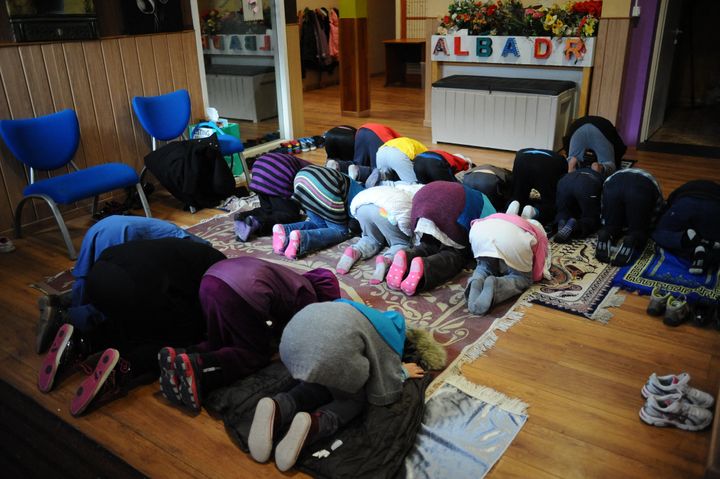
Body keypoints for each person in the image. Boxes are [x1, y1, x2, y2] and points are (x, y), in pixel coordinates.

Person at [37, 238, 225, 416]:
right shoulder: (222, 277)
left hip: (99, 274)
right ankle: (126, 367)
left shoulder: (197, 252)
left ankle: (82, 341)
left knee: (130, 320)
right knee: (182, 336)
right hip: (136, 285)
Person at [247, 299, 425, 472]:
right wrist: (402, 372)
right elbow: (384, 385)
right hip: (331, 353)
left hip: (291, 340)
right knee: (351, 399)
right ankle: (315, 424)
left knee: (316, 383)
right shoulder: (390, 336)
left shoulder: (348, 306)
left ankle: (279, 406)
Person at [158, 257, 340, 412]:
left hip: (211, 279)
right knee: (253, 353)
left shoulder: (291, 278)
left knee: (220, 339)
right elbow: (300, 334)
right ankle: (201, 368)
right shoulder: (307, 294)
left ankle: (180, 356)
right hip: (240, 292)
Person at [36, 216, 209, 355]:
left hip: (106, 225)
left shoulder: (187, 240)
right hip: (123, 233)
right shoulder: (199, 254)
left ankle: (61, 303)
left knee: (90, 276)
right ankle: (69, 319)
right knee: (118, 293)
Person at [386, 181, 496, 296]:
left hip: (424, 201)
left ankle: (408, 255)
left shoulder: (463, 189)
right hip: (451, 212)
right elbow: (479, 239)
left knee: (429, 243)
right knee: (455, 254)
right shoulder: (489, 211)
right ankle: (425, 266)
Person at [466, 202, 551, 315]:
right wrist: (533, 277)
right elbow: (539, 266)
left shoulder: (500, 215)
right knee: (522, 277)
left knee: (484, 267)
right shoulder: (536, 229)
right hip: (513, 240)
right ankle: (496, 286)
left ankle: (477, 280)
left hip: (481, 231)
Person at [554, 116, 627, 241]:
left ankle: (562, 220)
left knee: (563, 208)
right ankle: (598, 168)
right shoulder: (608, 127)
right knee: (608, 164)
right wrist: (606, 168)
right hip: (600, 132)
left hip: (576, 131)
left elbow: (566, 143)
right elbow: (618, 152)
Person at [335, 183, 423, 282]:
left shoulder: (400, 185)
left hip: (362, 204)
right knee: (401, 242)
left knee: (370, 238)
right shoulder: (422, 194)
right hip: (387, 211)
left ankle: (355, 250)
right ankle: (386, 260)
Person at [273, 165, 364, 259]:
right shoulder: (363, 196)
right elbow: (356, 221)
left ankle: (285, 230)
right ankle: (302, 238)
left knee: (319, 224)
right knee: (341, 231)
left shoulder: (353, 183)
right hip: (326, 187)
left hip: (302, 178)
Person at [233, 152, 309, 242]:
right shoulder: (310, 173)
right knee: (290, 215)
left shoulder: (303, 164)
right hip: (276, 176)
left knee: (267, 209)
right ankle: (258, 222)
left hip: (259, 171)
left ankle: (243, 216)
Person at [596, 168, 664, 265]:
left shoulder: (612, 177)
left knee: (612, 226)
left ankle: (607, 233)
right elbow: (658, 207)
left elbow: (604, 206)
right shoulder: (652, 180)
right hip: (641, 188)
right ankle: (633, 237)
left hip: (613, 185)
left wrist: (605, 222)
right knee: (638, 230)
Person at [652, 180, 720, 275]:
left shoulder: (679, 192)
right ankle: (706, 250)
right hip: (714, 208)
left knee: (658, 232)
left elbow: (667, 208)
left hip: (684, 205)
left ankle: (685, 240)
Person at [509, 148, 567, 225]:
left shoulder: (522, 151)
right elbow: (561, 185)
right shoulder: (562, 160)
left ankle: (514, 204)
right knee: (550, 202)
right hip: (547, 165)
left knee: (518, 195)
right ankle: (534, 211)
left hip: (522, 158)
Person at [326, 123, 401, 182]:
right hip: (379, 136)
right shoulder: (403, 150)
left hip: (363, 129)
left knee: (358, 162)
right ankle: (358, 171)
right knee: (381, 172)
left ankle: (337, 165)